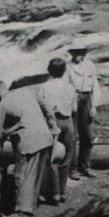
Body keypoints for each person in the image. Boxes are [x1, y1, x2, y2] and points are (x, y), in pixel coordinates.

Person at [0, 78, 55, 215]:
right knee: (36, 174)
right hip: (45, 137)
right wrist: (52, 121)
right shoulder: (25, 92)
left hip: (28, 141)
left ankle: (22, 210)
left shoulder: (2, 105)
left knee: (22, 174)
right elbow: (43, 102)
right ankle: (33, 204)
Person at [33, 56, 78, 201]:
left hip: (52, 122)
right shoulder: (70, 87)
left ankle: (54, 192)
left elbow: (40, 106)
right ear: (64, 71)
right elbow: (74, 107)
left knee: (51, 157)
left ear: (49, 71)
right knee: (67, 157)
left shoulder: (44, 87)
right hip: (68, 122)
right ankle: (63, 192)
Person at [64, 45, 100, 178]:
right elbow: (65, 87)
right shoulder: (67, 67)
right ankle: (72, 169)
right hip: (73, 99)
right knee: (72, 136)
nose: (81, 55)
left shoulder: (89, 64)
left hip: (87, 99)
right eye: (78, 52)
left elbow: (95, 85)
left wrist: (94, 105)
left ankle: (84, 166)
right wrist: (71, 103)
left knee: (87, 135)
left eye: (83, 52)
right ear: (72, 53)